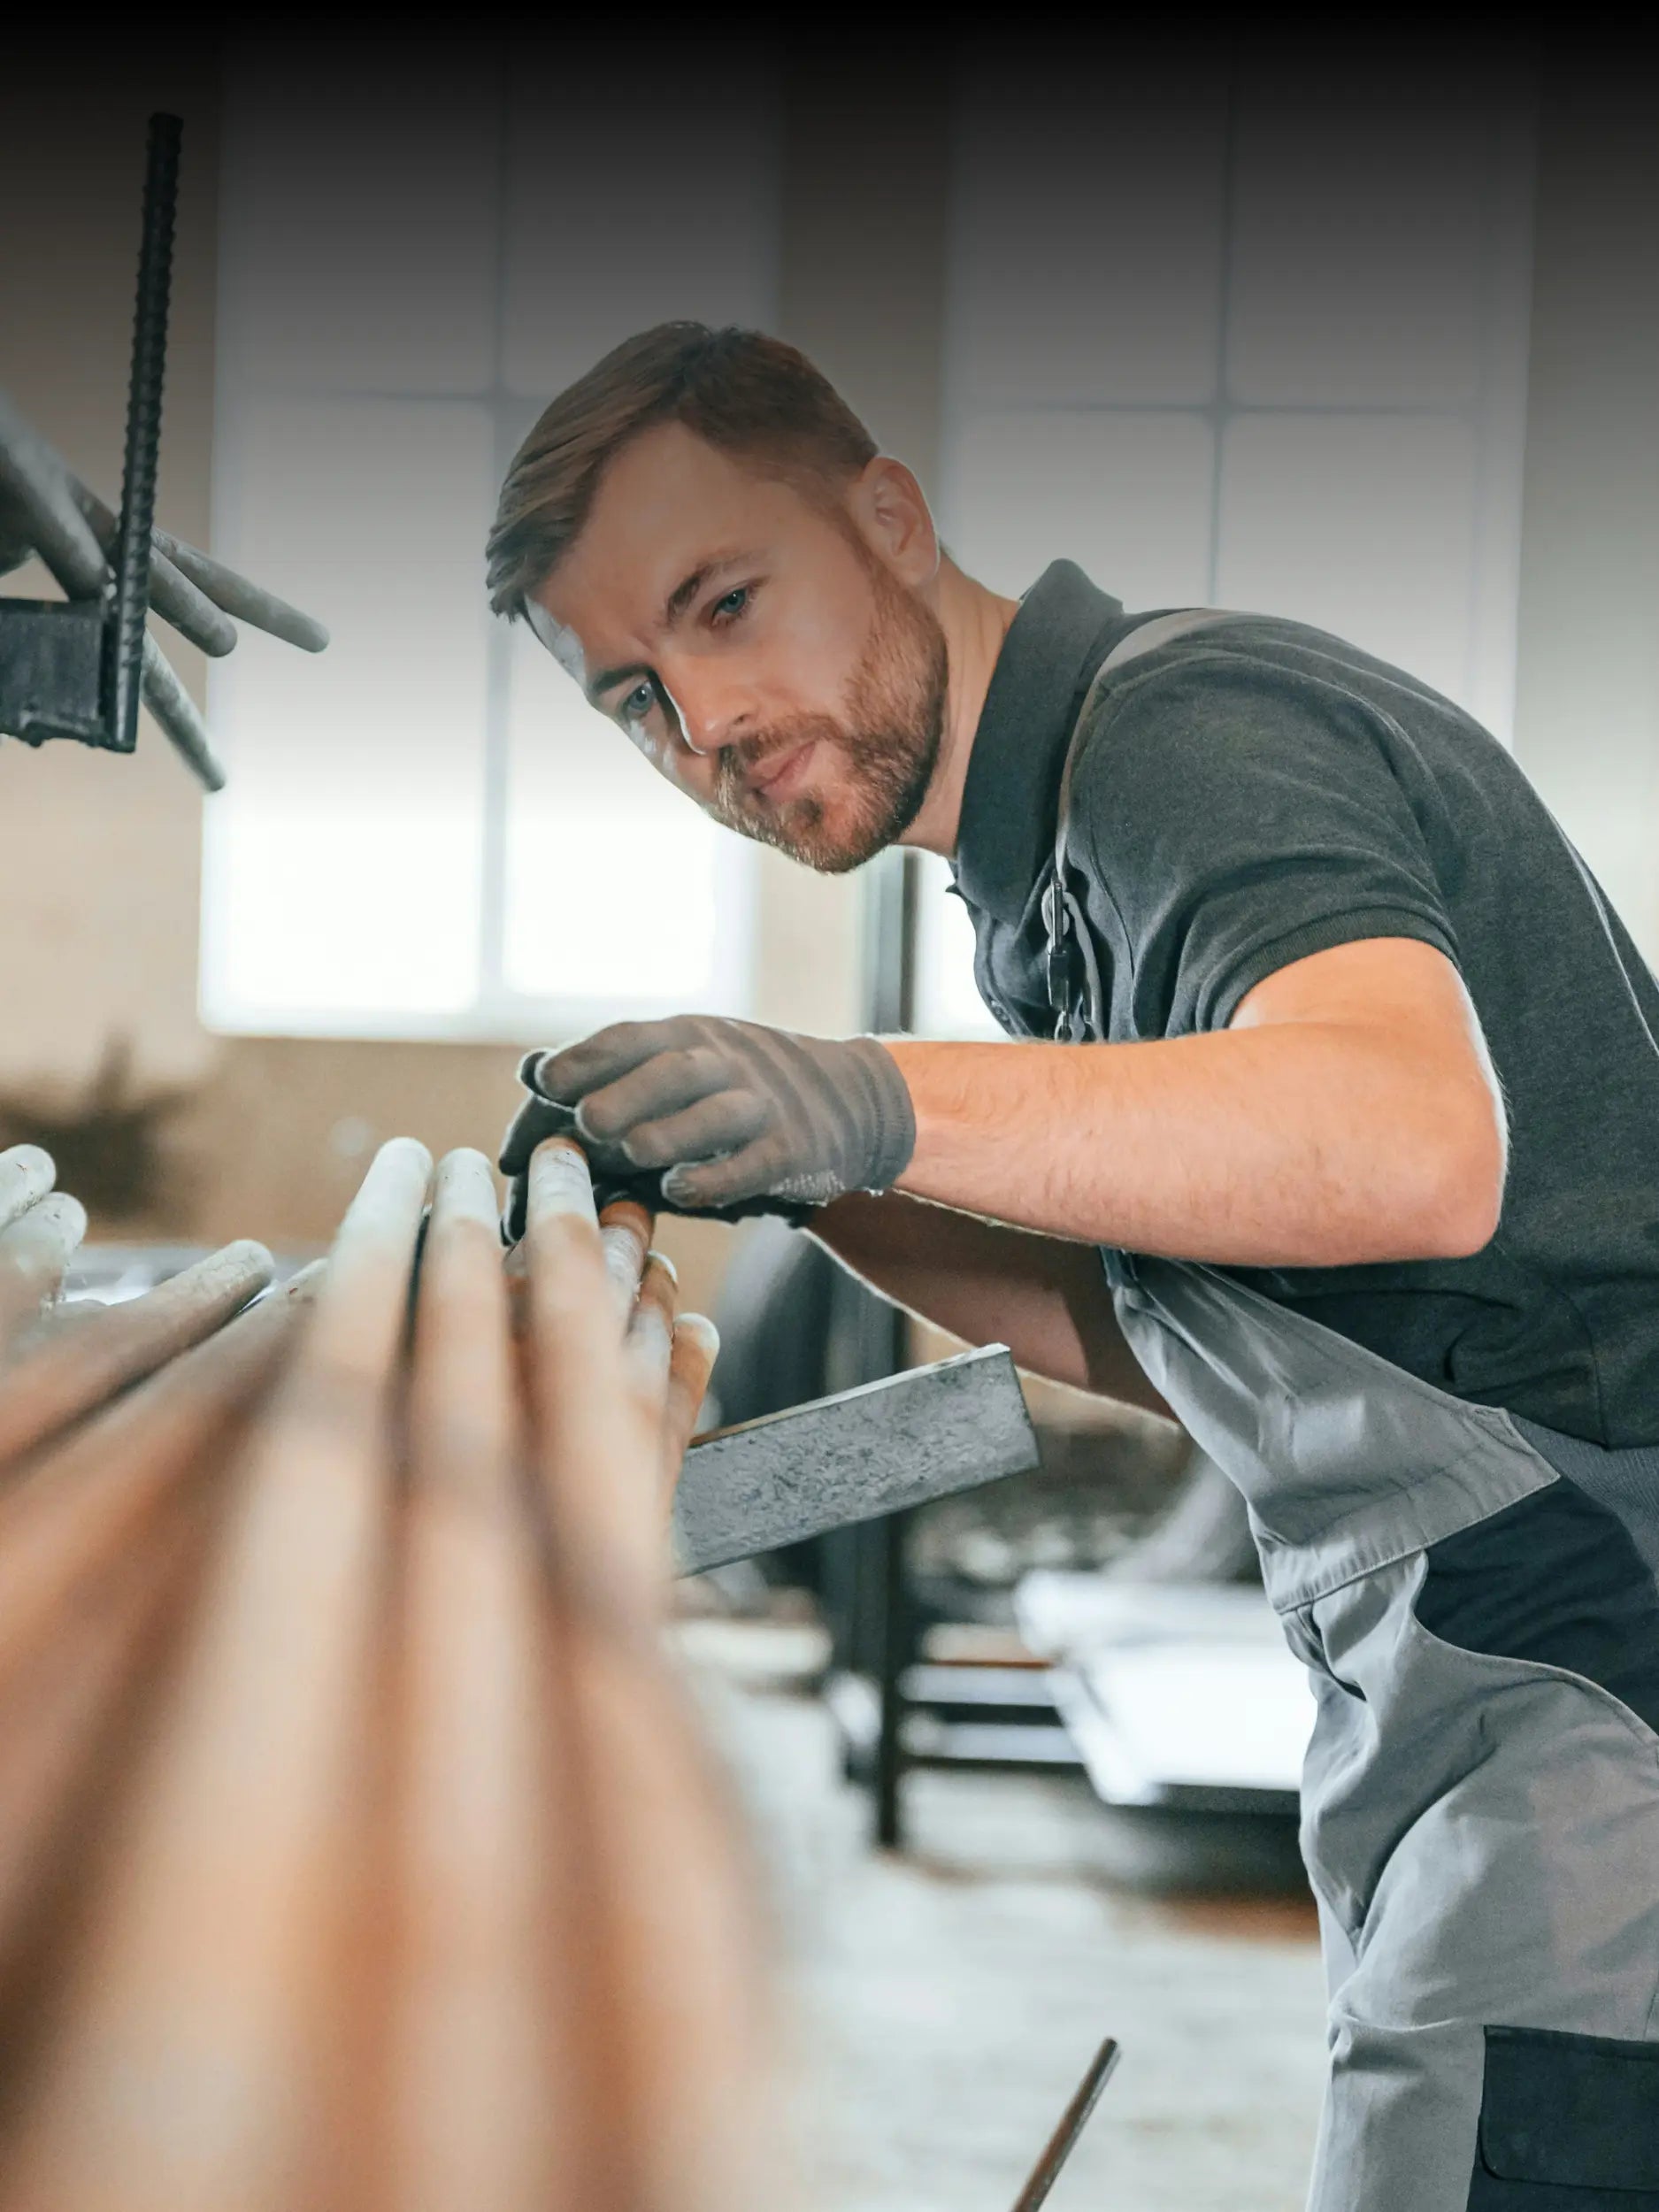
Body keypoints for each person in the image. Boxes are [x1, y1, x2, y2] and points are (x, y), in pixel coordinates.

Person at [489, 322, 1659, 2209]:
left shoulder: (1181, 737)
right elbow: (1140, 1332)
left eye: (724, 602)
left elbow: (1407, 1144)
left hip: (1596, 1657)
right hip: (1464, 1678)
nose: (700, 725)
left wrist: (859, 1097)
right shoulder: (1041, 895)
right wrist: (791, 1170)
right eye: (633, 694)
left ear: (885, 513)